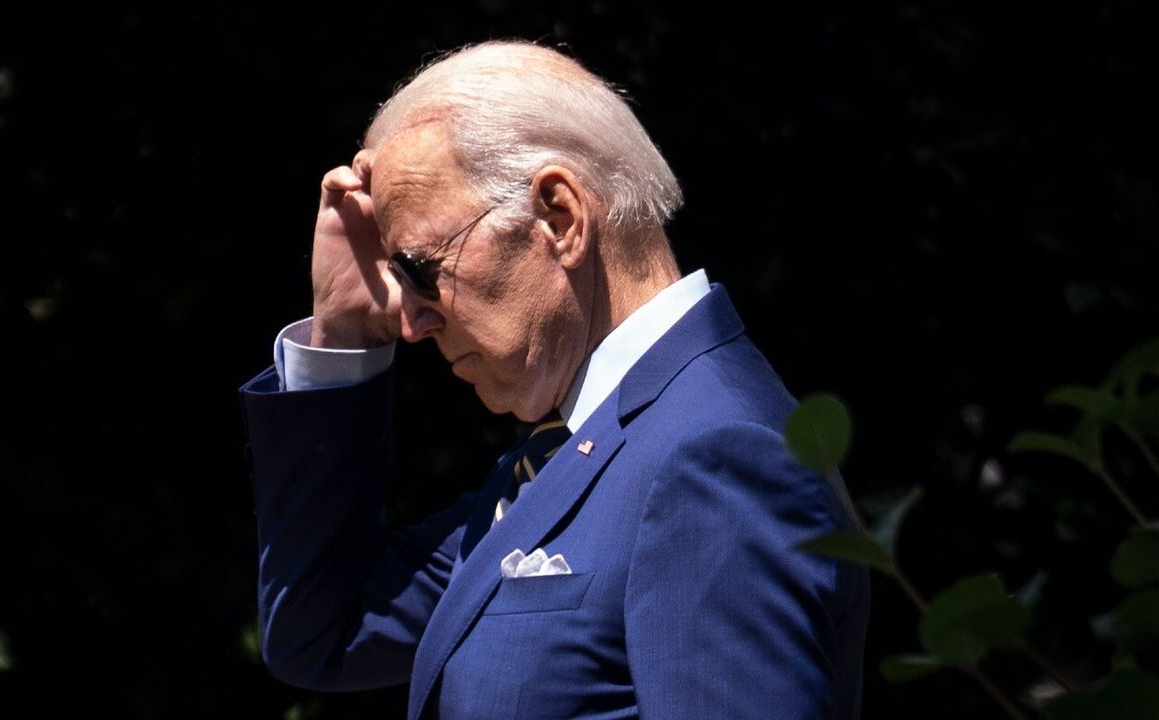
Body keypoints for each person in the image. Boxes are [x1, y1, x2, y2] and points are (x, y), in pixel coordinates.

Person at [240, 40, 868, 719]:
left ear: (559, 218)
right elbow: (324, 637)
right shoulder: (590, 445)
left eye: (418, 269)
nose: (412, 320)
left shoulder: (713, 458)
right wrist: (344, 335)